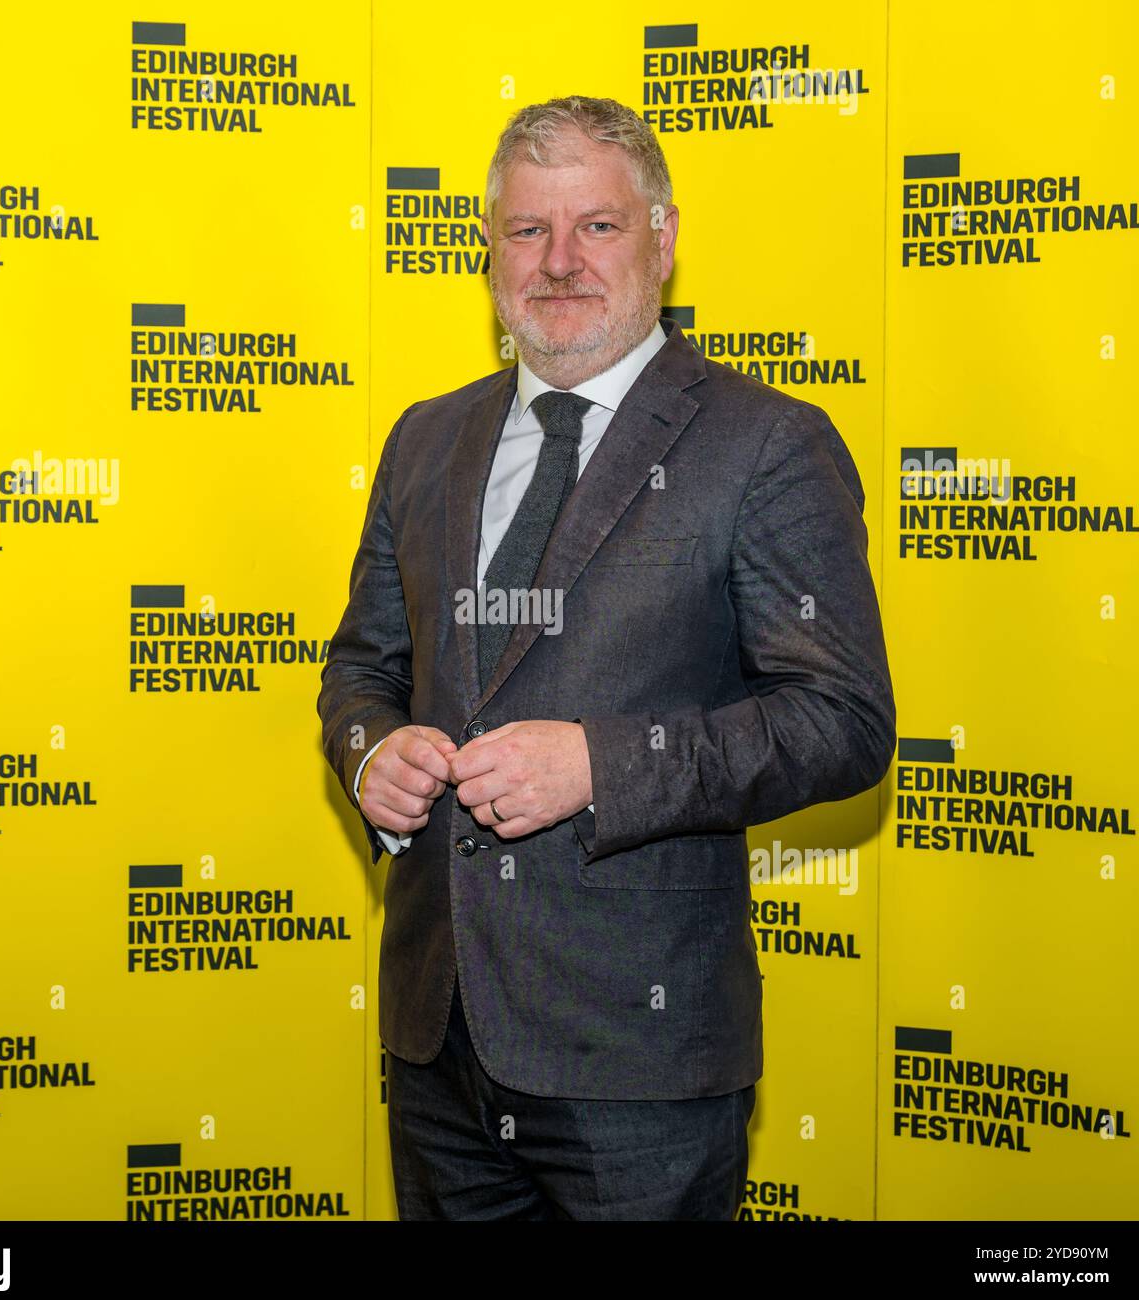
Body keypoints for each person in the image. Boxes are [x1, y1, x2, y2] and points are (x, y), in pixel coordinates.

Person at [318, 94, 895, 1220]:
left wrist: (600, 765)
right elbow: (361, 668)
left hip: (644, 1066)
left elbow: (841, 720)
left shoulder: (765, 443)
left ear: (663, 240)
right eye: (527, 230)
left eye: (598, 226)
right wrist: (369, 755)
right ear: (490, 252)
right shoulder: (425, 439)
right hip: (439, 1042)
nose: (559, 261)